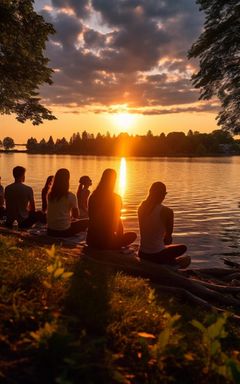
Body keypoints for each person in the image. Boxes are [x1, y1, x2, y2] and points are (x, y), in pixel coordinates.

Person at [138, 182, 190, 267]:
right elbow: (168, 240)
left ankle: (170, 261)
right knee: (183, 249)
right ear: (162, 195)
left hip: (142, 253)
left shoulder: (141, 207)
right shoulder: (167, 211)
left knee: (163, 248)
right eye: (165, 194)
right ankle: (173, 264)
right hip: (157, 255)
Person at [87, 168, 137, 249]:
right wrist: (118, 238)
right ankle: (115, 244)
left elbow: (90, 217)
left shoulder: (93, 196)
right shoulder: (116, 198)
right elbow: (118, 222)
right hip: (106, 242)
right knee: (133, 235)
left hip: (91, 240)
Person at [47, 168, 88, 237]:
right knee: (87, 221)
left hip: (50, 231)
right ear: (67, 180)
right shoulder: (71, 196)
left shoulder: (50, 194)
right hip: (64, 232)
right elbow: (76, 216)